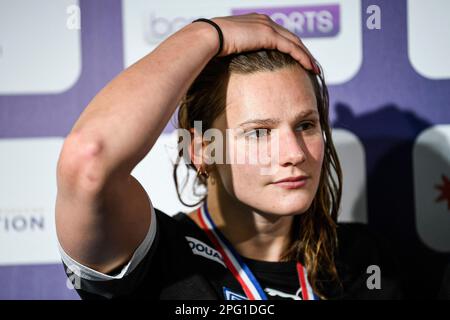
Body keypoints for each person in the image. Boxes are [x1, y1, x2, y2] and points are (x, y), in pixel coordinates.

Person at [55, 14, 402, 300]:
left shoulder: (367, 260)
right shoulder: (161, 259)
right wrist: (208, 35)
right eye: (259, 132)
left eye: (306, 125)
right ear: (202, 149)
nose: (294, 154)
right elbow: (89, 160)